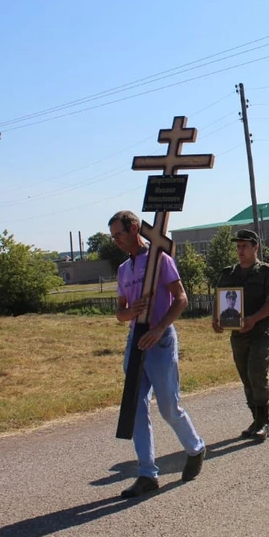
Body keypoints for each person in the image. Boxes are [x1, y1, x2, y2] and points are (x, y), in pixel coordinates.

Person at [109, 210, 205, 498]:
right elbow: (119, 312)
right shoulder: (124, 269)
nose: (117, 241)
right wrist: (130, 312)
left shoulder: (160, 259)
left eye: (120, 234)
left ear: (135, 227)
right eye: (113, 237)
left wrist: (160, 328)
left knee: (168, 407)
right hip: (136, 342)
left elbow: (182, 298)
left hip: (160, 341)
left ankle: (196, 448)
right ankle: (147, 473)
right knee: (135, 408)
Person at [213, 229, 269, 441]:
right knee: (246, 378)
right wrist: (216, 320)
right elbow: (219, 301)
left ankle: (263, 422)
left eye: (244, 246)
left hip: (261, 332)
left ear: (255, 247)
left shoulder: (266, 272)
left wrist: (253, 318)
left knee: (256, 375)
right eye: (238, 246)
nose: (240, 250)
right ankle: (255, 418)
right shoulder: (229, 274)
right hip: (238, 335)